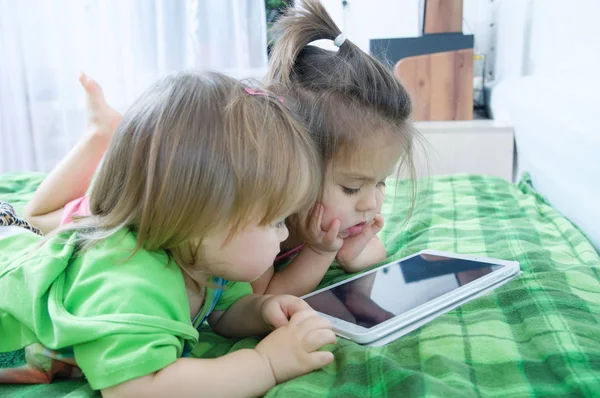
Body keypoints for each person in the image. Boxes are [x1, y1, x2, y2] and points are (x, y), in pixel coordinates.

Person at [1, 71, 336, 397]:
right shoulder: (128, 279)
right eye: (277, 221)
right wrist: (266, 364)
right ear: (203, 219)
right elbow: (138, 387)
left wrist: (262, 310)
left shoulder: (205, 260)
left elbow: (222, 312)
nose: (284, 236)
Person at [251, 0, 417, 297]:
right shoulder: (258, 221)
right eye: (352, 188)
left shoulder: (336, 222)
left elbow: (375, 250)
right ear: (290, 169)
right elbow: (262, 299)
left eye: (380, 182)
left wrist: (350, 253)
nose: (370, 204)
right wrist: (319, 252)